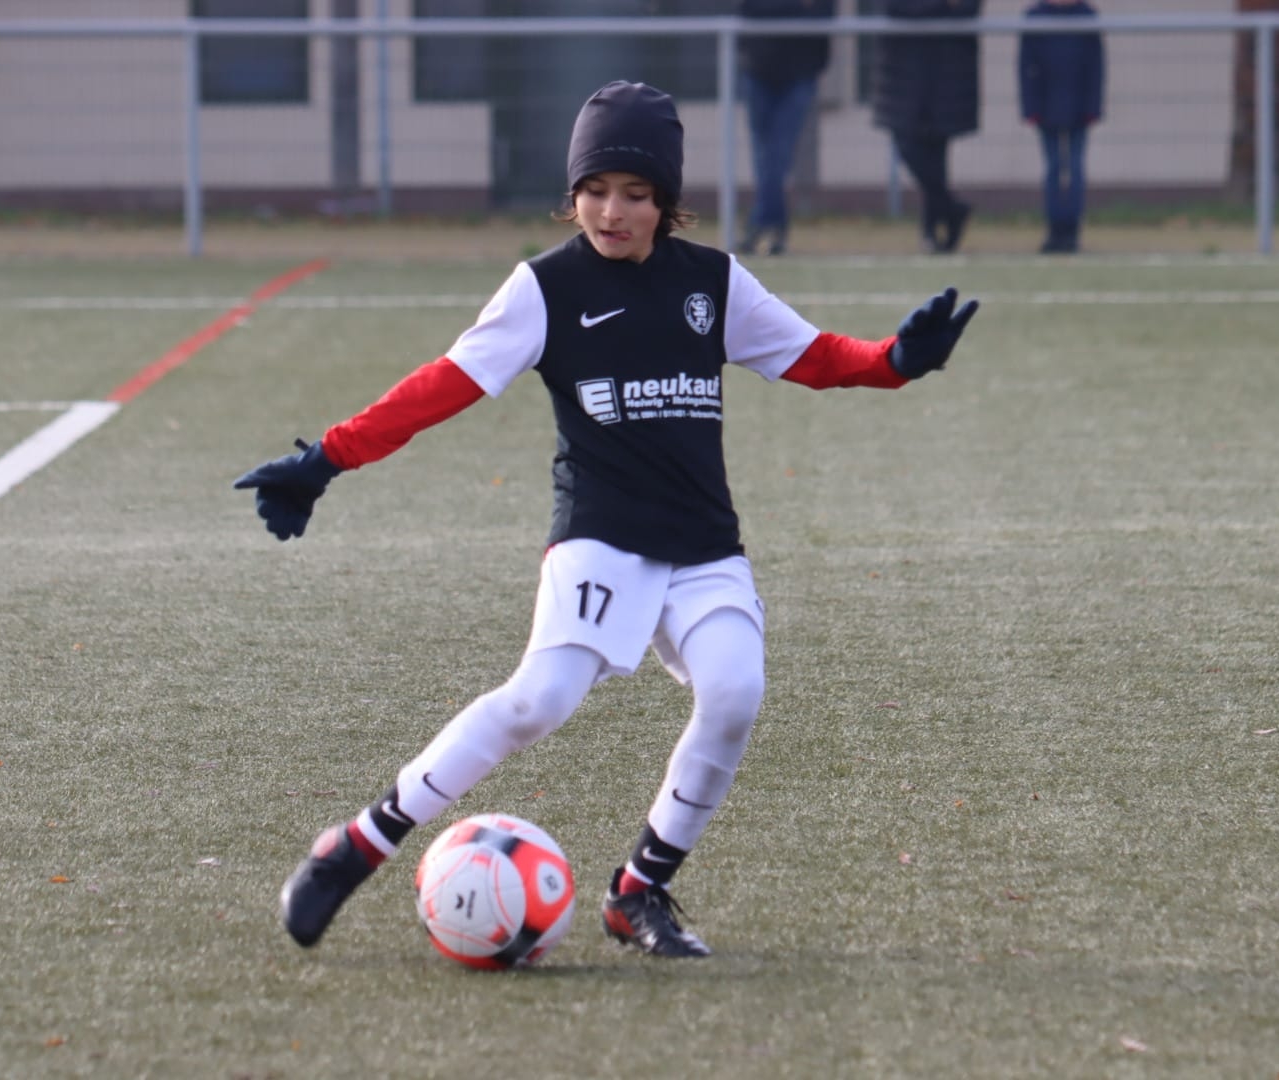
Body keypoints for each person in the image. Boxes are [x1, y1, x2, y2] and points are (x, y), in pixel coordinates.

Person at [238, 81, 979, 959]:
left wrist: (896, 360)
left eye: (634, 193)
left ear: (667, 202)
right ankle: (356, 846)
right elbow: (444, 385)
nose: (611, 211)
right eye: (594, 190)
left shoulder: (712, 282)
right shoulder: (544, 287)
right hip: (600, 534)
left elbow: (814, 356)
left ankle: (638, 892)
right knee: (538, 701)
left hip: (702, 543)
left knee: (735, 692)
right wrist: (326, 459)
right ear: (573, 193)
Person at [872, 0, 983, 253]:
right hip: (903, 72)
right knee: (907, 146)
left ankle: (931, 232)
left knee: (936, 155)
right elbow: (895, 8)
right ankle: (951, 210)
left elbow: (968, 8)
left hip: (947, 72)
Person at [737, 0, 837, 257]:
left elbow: (823, 14)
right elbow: (751, 9)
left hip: (800, 73)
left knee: (778, 154)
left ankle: (760, 224)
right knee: (764, 155)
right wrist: (797, 6)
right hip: (759, 69)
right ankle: (776, 228)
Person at [1019, 0, 1104, 254]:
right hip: (1046, 106)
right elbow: (1025, 65)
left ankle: (1072, 230)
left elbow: (1096, 66)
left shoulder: (1087, 16)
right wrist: (1030, 107)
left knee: (1075, 168)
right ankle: (1054, 229)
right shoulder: (1035, 17)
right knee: (1053, 168)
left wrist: (1093, 106)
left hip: (1079, 106)